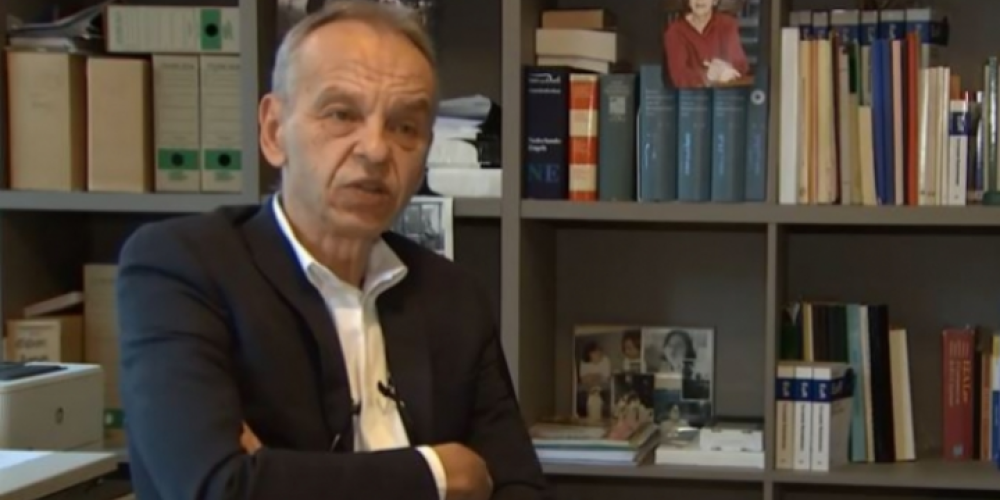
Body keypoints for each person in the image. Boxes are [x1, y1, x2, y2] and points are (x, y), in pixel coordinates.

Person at [115, 3, 548, 500]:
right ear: (274, 131)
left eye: (405, 127)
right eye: (342, 114)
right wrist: (438, 473)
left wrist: (280, 476)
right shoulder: (182, 267)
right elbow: (220, 488)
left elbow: (521, 489)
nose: (376, 150)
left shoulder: (453, 297)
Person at [663, 0, 749, 88]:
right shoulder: (675, 32)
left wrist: (724, 67)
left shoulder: (727, 24)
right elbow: (679, 76)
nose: (700, 1)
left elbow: (741, 65)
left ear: (715, 1)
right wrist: (707, 76)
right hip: (692, 94)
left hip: (726, 90)